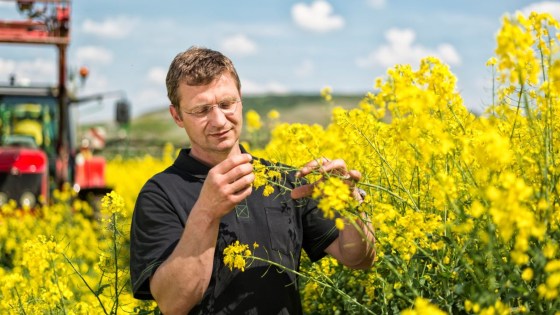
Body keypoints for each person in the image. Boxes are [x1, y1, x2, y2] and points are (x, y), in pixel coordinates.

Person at [129, 46, 376, 315]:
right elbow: (173, 303)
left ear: (241, 100)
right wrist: (206, 212)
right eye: (201, 110)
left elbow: (359, 258)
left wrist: (350, 204)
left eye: (226, 104)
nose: (219, 120)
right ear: (177, 116)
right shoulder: (160, 193)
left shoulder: (284, 181)